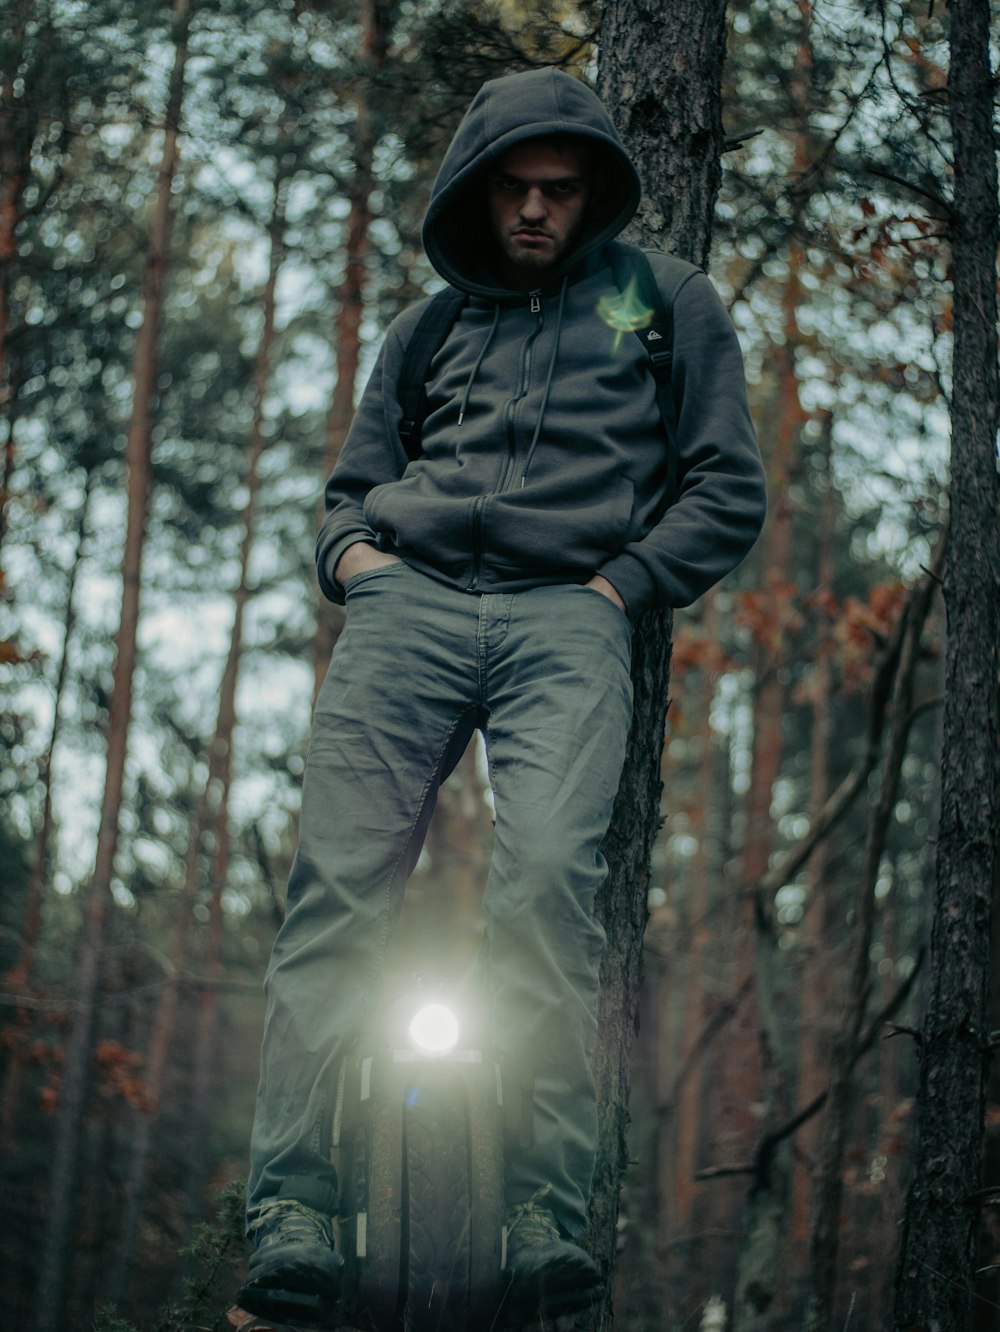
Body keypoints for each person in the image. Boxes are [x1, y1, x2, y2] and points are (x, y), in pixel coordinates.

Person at [237, 66, 766, 1324]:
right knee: (337, 892)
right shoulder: (428, 327)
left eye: (560, 191)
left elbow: (725, 484)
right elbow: (349, 486)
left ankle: (542, 1209)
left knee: (546, 892)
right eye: (514, 191)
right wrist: (358, 567)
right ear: (478, 195)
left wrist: (621, 587)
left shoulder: (659, 298)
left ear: (591, 197)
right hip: (408, 606)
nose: (535, 212)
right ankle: (290, 1207)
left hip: (563, 617)